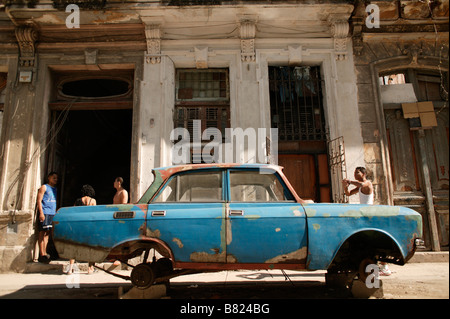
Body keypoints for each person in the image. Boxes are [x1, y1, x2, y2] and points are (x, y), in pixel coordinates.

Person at [342, 167, 391, 276]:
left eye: (357, 172)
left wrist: (350, 181)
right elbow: (349, 193)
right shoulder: (360, 186)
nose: (355, 174)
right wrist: (345, 187)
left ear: (363, 173)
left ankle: (385, 266)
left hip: (370, 214)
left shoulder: (367, 183)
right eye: (354, 172)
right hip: (364, 214)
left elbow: (361, 185)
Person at [67, 184, 97, 274]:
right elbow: (95, 214)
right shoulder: (92, 201)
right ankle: (90, 268)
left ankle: (70, 268)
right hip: (88, 225)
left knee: (74, 247)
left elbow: (74, 212)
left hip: (79, 225)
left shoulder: (78, 201)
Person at [36, 172, 58, 263]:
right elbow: (39, 200)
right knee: (42, 232)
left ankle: (45, 252)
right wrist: (41, 212)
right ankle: (41, 254)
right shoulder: (44, 187)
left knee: (47, 233)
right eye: (54, 178)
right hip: (45, 212)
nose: (55, 180)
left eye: (56, 178)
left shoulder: (54, 189)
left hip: (51, 213)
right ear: (49, 178)